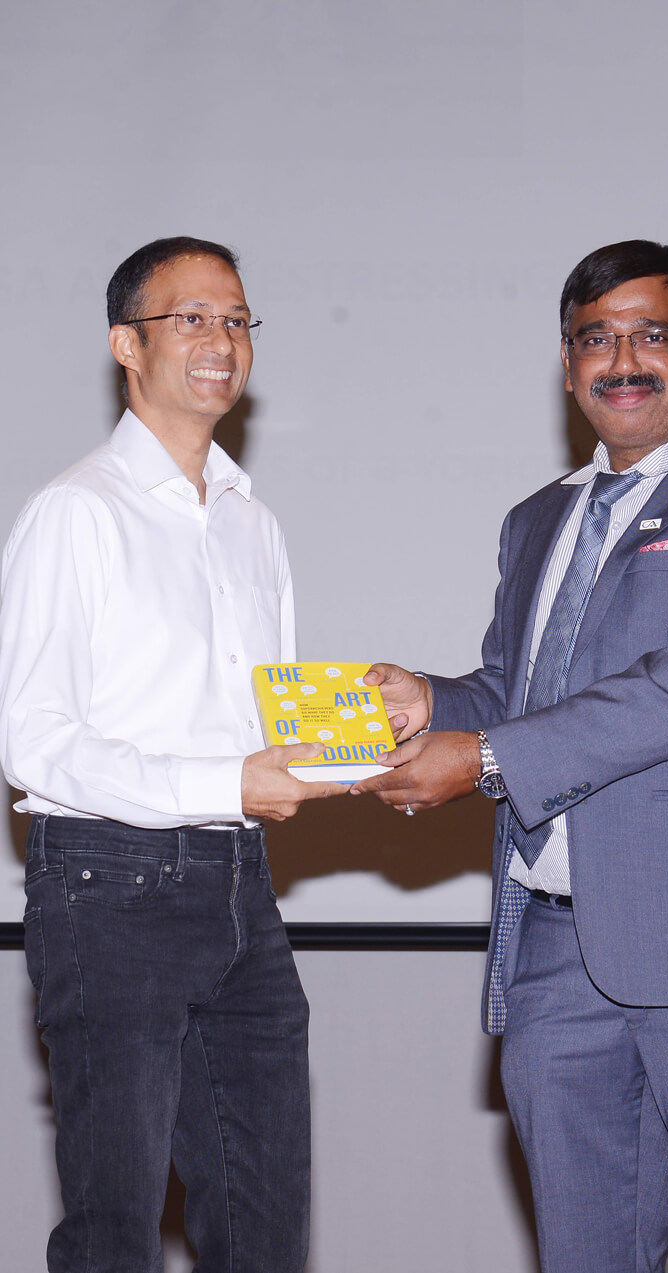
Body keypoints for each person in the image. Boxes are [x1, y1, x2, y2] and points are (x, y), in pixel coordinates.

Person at [352, 240, 668, 1272]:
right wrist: (429, 701)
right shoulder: (538, 520)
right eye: (594, 339)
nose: (622, 360)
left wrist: (485, 758)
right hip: (554, 950)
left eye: (650, 334)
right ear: (568, 362)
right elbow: (519, 689)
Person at [0, 236, 346, 1272]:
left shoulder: (253, 523)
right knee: (115, 1231)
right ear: (127, 344)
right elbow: (33, 744)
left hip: (243, 882)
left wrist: (361, 749)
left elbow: (260, 728)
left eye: (237, 320)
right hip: (111, 889)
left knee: (263, 1225)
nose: (221, 341)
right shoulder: (76, 511)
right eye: (190, 317)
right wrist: (226, 781)